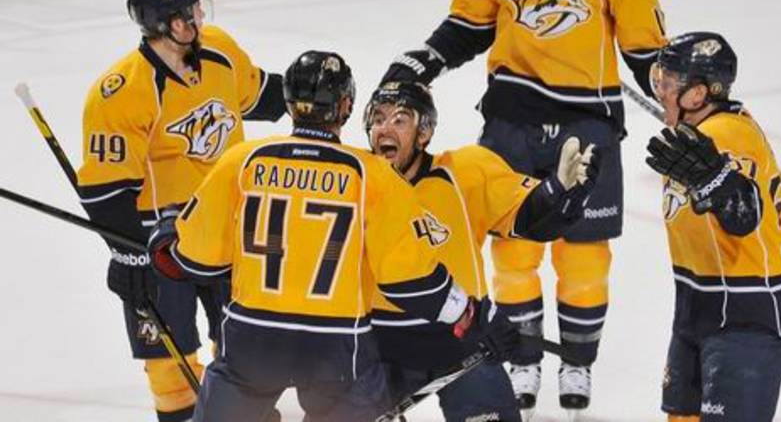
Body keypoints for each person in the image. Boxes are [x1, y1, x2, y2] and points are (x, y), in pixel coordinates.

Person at [379, 0, 667, 416]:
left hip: (587, 122)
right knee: (513, 254)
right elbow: (467, 27)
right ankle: (523, 359)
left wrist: (688, 106)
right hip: (512, 122)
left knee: (584, 259)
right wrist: (429, 58)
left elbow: (647, 54)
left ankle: (577, 361)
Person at [145, 51, 519, 422]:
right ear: (346, 106)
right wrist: (470, 313)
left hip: (253, 340)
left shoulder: (242, 160)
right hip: (336, 349)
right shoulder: (373, 175)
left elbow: (193, 261)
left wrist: (167, 232)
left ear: (289, 103)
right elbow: (409, 281)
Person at [77, 0, 287, 422]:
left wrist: (307, 96)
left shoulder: (219, 49)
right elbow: (105, 193)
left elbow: (259, 96)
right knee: (169, 364)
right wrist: (130, 256)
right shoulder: (121, 93)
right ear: (173, 24)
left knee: (244, 341)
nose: (200, 15)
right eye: (192, 10)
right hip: (161, 241)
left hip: (229, 227)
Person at [365, 81, 598, 422]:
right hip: (380, 343)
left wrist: (558, 192)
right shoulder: (356, 179)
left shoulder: (463, 172)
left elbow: (530, 216)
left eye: (399, 120)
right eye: (378, 119)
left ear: (424, 132)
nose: (385, 128)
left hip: (462, 336)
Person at [645, 32, 781, 422]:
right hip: (700, 308)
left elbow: (743, 213)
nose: (660, 90)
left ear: (697, 95)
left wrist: (716, 180)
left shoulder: (725, 135)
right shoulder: (697, 137)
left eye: (669, 82)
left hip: (748, 317)